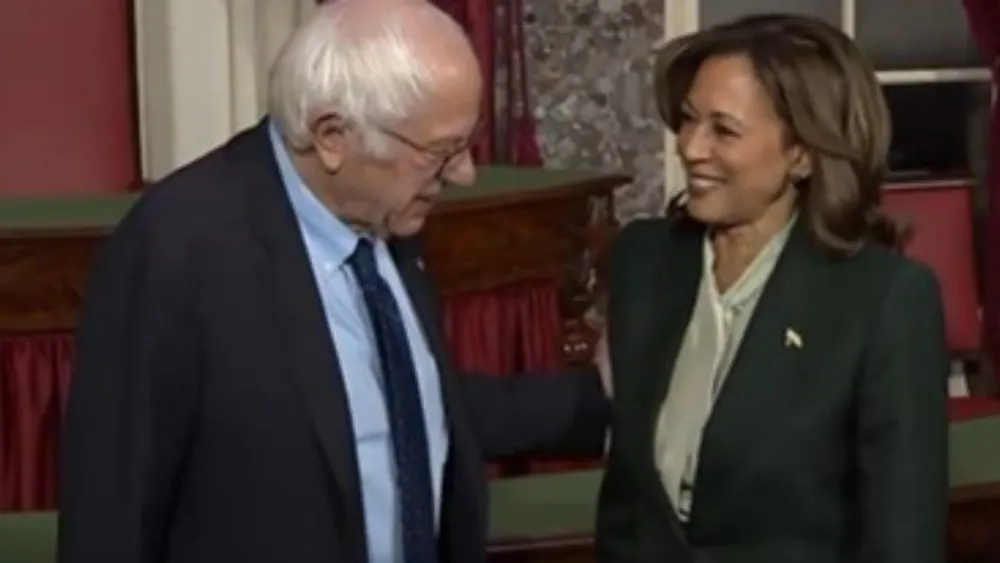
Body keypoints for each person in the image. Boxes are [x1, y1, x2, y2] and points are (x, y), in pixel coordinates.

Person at [57, 2, 608, 563]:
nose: (463, 174)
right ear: (333, 137)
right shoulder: (178, 249)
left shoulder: (389, 216)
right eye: (440, 152)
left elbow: (406, 405)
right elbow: (112, 514)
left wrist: (611, 397)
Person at [595, 14, 948, 563]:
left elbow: (904, 539)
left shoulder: (883, 300)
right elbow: (626, 505)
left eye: (723, 129)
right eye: (688, 120)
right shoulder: (645, 261)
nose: (690, 148)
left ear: (802, 155)